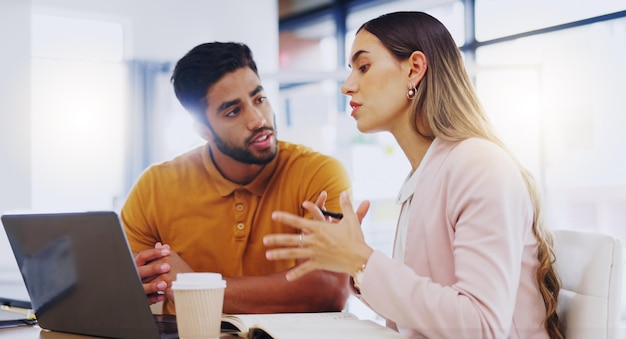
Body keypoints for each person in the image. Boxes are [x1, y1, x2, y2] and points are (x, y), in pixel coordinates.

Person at [263, 11, 563, 339]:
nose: (347, 87)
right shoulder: (426, 174)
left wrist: (363, 260)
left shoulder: (480, 165)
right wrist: (354, 261)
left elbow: (480, 326)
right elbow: (422, 312)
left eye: (363, 67)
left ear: (414, 69)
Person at [121, 41, 352, 315]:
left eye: (259, 99)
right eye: (233, 111)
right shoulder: (155, 187)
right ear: (204, 130)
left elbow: (331, 290)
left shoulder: (318, 173)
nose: (257, 120)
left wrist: (194, 285)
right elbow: (121, 288)